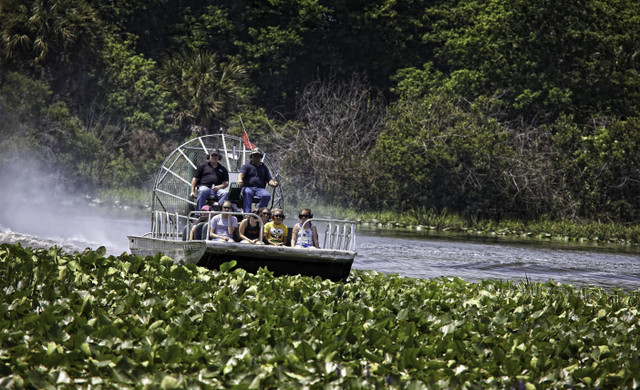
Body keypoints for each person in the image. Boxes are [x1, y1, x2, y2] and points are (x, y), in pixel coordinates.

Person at [236, 148, 279, 213]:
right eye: (254, 155)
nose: (256, 157)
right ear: (251, 156)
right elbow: (241, 174)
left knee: (266, 195)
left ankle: (258, 212)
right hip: (248, 187)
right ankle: (247, 214)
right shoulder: (247, 165)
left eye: (258, 155)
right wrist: (240, 179)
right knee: (248, 192)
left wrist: (274, 183)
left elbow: (269, 179)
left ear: (260, 157)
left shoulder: (264, 167)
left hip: (260, 189)